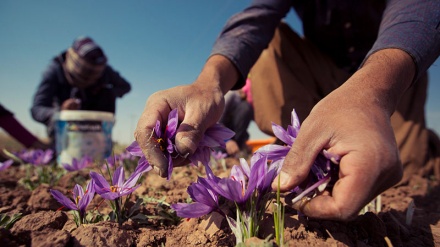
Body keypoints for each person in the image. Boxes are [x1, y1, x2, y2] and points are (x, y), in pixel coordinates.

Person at [135, 0, 440, 221]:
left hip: (388, 71)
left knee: (397, 166)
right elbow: (256, 18)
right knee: (269, 42)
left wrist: (372, 92)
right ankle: (302, 150)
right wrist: (207, 83)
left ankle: (424, 143)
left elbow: (420, 8)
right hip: (321, 71)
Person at [31, 36, 131, 146]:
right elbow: (37, 108)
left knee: (107, 93)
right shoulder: (55, 70)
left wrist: (102, 90)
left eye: (92, 76)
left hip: (94, 121)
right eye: (84, 74)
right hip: (65, 124)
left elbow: (126, 86)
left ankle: (100, 142)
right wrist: (60, 112)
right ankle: (58, 146)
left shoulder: (104, 70)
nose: (87, 80)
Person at [219, 77, 253, 157]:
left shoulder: (245, 105)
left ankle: (238, 149)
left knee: (246, 108)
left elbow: (242, 127)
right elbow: (215, 121)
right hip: (218, 135)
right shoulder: (231, 95)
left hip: (230, 134)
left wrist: (243, 142)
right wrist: (227, 140)